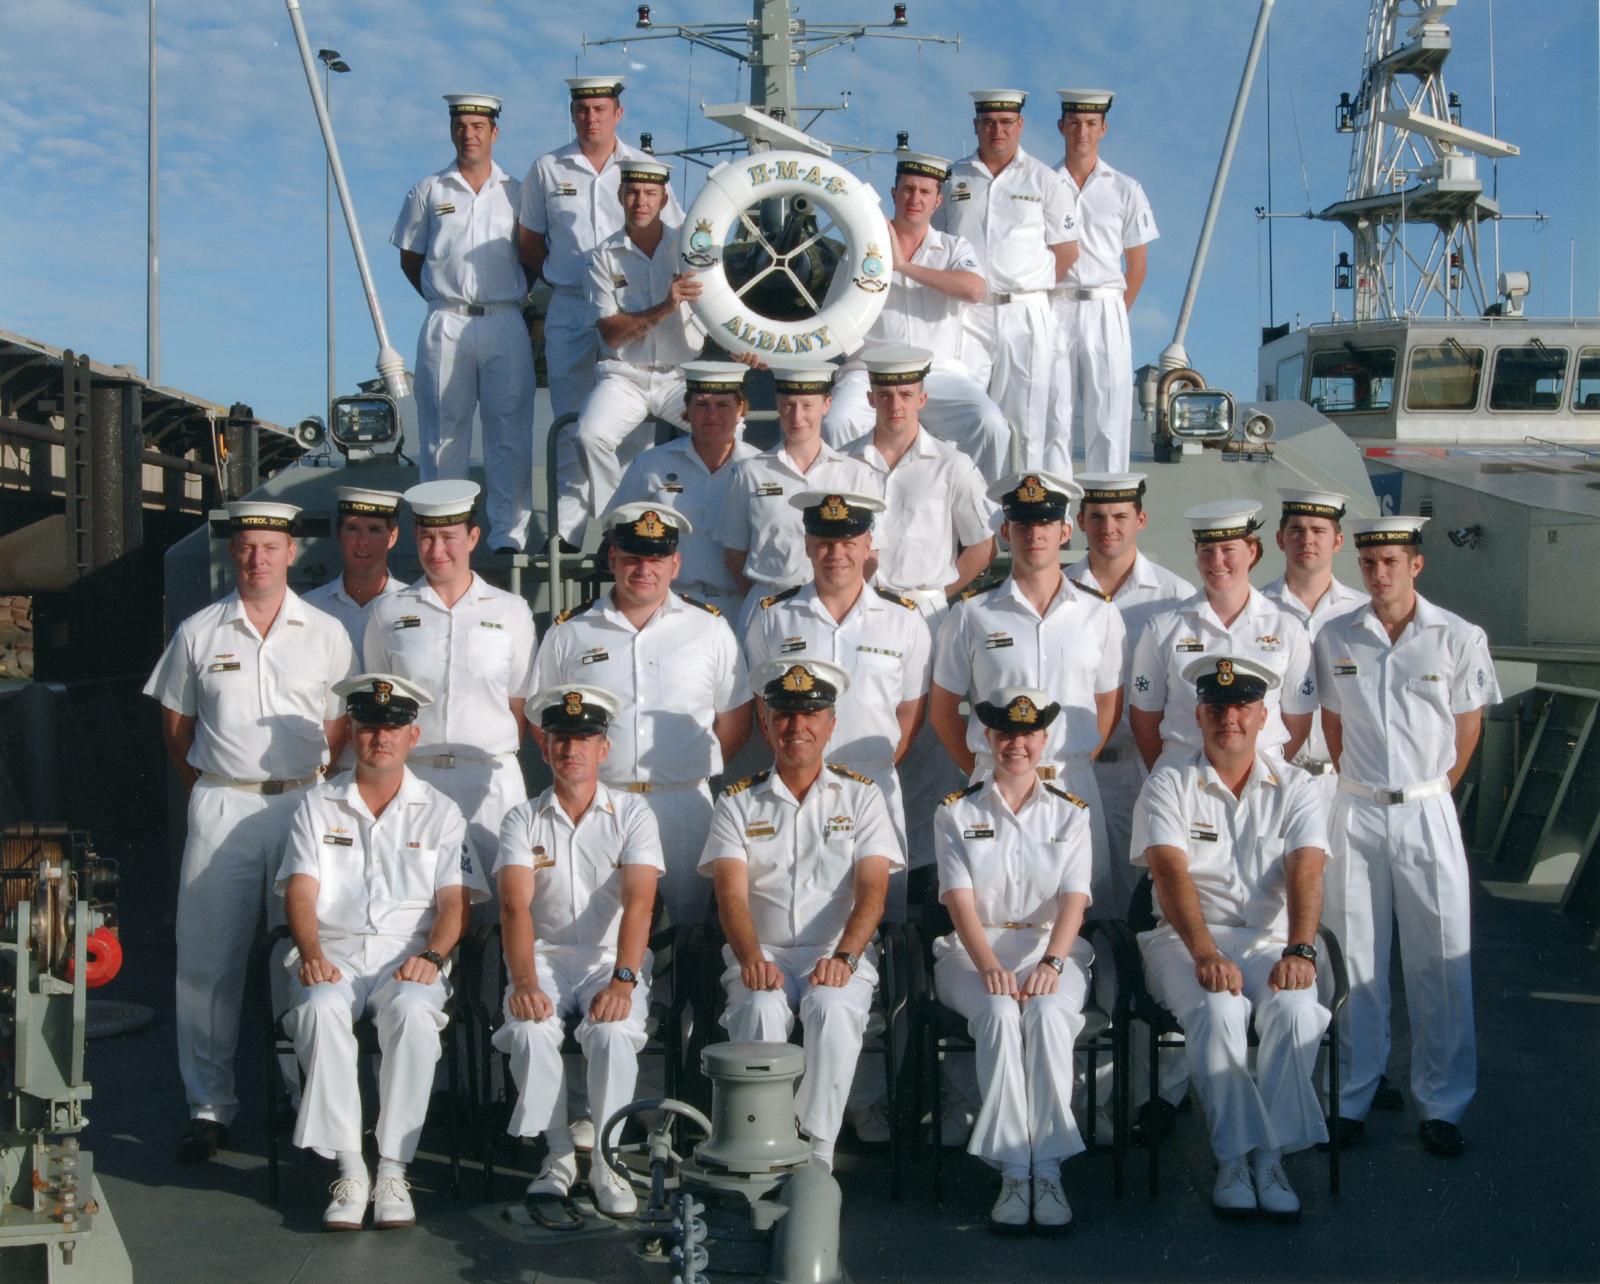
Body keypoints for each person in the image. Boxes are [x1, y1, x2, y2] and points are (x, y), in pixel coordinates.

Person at [143, 501, 356, 1162]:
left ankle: (302, 1096)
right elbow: (177, 728)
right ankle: (209, 1105)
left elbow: (337, 729)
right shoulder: (199, 633)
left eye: (270, 546)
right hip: (224, 804)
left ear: (291, 552)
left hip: (302, 805)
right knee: (207, 962)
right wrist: (212, 789)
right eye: (246, 547)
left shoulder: (325, 634)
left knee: (303, 954)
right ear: (231, 554)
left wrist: (306, 790)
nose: (257, 558)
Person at [1314, 516, 1499, 1159]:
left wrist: (1434, 790)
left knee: (1440, 959)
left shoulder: (1457, 636)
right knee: (1356, 960)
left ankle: (1442, 1104)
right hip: (1357, 808)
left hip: (1426, 808)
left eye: (1391, 561)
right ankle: (1355, 1096)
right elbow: (1332, 725)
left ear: (1416, 564)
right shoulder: (1337, 634)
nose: (1379, 573)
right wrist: (1360, 785)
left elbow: (1468, 727)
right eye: (1369, 564)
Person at [278, 673, 487, 1231]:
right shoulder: (317, 805)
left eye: (393, 727)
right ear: (351, 732)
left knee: (416, 1013)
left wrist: (434, 958)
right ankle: (350, 1168)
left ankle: (393, 1167)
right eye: (369, 726)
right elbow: (300, 891)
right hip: (335, 949)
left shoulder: (441, 811)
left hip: (408, 955)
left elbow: (454, 903)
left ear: (413, 735)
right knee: (319, 1006)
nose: (380, 738)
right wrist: (312, 951)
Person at [1130, 655, 1332, 1221]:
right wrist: (1206, 952)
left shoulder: (1296, 786)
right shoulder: (1170, 781)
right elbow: (1170, 874)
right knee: (1219, 1011)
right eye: (1217, 708)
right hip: (1183, 939)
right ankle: (1238, 1160)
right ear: (1198, 714)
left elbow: (1306, 870)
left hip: (1269, 940)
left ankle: (1269, 1156)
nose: (1229, 719)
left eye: (1242, 707)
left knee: (1296, 1009)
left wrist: (1299, 948)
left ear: (1263, 715)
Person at [699, 657, 902, 1170]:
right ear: (766, 724)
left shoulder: (862, 796)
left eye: (811, 713)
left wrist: (846, 958)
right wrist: (750, 959)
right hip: (760, 950)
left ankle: (816, 1149)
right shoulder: (737, 803)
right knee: (760, 1007)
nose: (798, 726)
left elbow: (873, 890)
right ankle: (765, 1141)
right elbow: (730, 895)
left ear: (831, 723)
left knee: (831, 1008)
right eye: (785, 714)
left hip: (836, 952)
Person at [532, 503, 750, 926]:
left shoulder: (710, 629)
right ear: (613, 558)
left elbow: (735, 716)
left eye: (656, 559)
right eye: (632, 558)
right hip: (601, 804)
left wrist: (686, 769)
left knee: (692, 929)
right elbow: (543, 718)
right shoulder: (570, 632)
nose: (644, 569)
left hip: (683, 803)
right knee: (602, 927)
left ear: (676, 563)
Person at [493, 684, 662, 1218]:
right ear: (543, 749)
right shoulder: (522, 819)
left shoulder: (633, 814)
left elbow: (639, 904)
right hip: (542, 955)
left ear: (603, 749)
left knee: (612, 1032)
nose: (571, 750)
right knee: (528, 1026)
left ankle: (608, 1161)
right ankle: (559, 1154)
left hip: (610, 956)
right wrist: (524, 983)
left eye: (584, 738)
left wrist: (623, 980)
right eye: (561, 739)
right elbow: (515, 908)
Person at [934, 687, 1093, 1234]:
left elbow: (1074, 898)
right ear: (987, 738)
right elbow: (958, 900)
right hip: (970, 952)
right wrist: (987, 965)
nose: (1016, 744)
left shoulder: (1071, 814)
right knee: (1000, 1014)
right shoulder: (956, 813)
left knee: (1048, 1014)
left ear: (1045, 740)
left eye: (1027, 734)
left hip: (1051, 946)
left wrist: (1051, 963)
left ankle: (1044, 1167)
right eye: (1005, 733)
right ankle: (1011, 1169)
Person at [929, 472, 1125, 908]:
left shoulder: (1100, 615)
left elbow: (1108, 702)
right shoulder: (971, 615)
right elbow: (943, 711)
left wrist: (1073, 761)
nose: (1034, 534)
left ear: (1065, 531)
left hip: (1072, 784)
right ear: (1005, 532)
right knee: (990, 911)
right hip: (992, 791)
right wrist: (986, 768)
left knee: (1084, 920)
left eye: (1046, 523)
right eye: (1022, 524)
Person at [744, 491, 930, 892]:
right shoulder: (773, 617)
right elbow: (765, 710)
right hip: (795, 790)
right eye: (825, 542)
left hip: (875, 784)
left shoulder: (904, 620)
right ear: (808, 545)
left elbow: (911, 709)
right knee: (795, 903)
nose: (836, 554)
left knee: (879, 914)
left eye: (848, 542)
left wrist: (875, 767)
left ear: (867, 546)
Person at [364, 481, 536, 878]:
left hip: (491, 783)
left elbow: (519, 702)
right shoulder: (387, 612)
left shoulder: (511, 611)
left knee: (499, 906)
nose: (437, 550)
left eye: (448, 537)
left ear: (473, 537)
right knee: (417, 900)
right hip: (416, 780)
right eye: (426, 537)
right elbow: (380, 704)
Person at [392, 94, 535, 553]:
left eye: (478, 125)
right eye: (461, 125)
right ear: (451, 129)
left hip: (504, 318)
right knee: (441, 435)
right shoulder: (429, 190)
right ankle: (442, 534)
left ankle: (508, 536)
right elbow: (411, 258)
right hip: (446, 321)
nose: (468, 134)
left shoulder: (518, 192)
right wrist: (444, 295)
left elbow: (532, 257)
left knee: (508, 432)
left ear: (495, 132)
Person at [820, 152, 1009, 481]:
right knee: (837, 422)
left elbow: (974, 290)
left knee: (990, 424)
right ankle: (845, 515)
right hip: (871, 372)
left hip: (937, 372)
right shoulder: (862, 249)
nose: (915, 199)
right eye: (908, 189)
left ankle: (982, 523)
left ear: (938, 201)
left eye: (924, 192)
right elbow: (833, 316)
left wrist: (904, 267)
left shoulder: (954, 248)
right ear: (894, 193)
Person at [555, 159, 705, 544]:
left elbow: (719, 309)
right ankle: (621, 527)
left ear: (663, 198)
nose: (641, 201)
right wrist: (665, 307)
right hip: (625, 377)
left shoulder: (689, 250)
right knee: (588, 436)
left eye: (650, 194)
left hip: (679, 378)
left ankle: (709, 522)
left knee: (729, 433)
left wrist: (742, 351)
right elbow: (611, 333)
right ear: (621, 197)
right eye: (633, 193)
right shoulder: (603, 257)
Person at [1064, 474, 1195, 907]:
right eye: (1097, 517)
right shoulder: (1057, 593)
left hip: (1142, 766)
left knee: (1144, 890)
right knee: (1073, 887)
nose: (1109, 528)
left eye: (1120, 516)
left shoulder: (1176, 598)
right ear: (1080, 521)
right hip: (1072, 768)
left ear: (1141, 519)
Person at [518, 77, 679, 427]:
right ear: (572, 114)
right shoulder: (547, 168)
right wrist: (559, 278)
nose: (591, 118)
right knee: (571, 419)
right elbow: (529, 240)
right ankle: (571, 486)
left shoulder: (645, 168)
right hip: (571, 305)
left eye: (600, 110)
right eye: (582, 110)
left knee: (628, 421)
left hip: (629, 308)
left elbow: (674, 238)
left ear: (618, 113)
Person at [936, 89, 1079, 475]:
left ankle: (1025, 520)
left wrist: (1028, 288)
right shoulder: (952, 178)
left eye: (1005, 123)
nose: (996, 130)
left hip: (1024, 312)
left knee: (1027, 423)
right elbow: (934, 244)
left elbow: (1066, 252)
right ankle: (969, 523)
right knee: (964, 417)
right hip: (968, 313)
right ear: (975, 126)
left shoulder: (1046, 181)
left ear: (1020, 125)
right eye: (987, 123)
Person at [1130, 502, 1316, 774]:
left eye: (1228, 549)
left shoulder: (1287, 628)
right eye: (1207, 551)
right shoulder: (1164, 629)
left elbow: (1298, 717)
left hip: (1262, 780)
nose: (1217, 561)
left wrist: (1260, 770)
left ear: (1251, 551)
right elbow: (1145, 717)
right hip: (1185, 776)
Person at [1046, 89, 1159, 473]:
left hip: (1106, 302)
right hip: (1055, 303)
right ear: (1061, 126)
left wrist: (1116, 313)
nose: (1082, 131)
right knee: (1053, 416)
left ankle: (1106, 505)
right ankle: (1052, 522)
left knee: (1109, 417)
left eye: (1091, 124)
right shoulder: (1043, 184)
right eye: (1075, 123)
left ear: (1104, 128)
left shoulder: (1126, 188)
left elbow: (1138, 266)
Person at [717, 367, 877, 635]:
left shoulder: (855, 474)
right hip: (767, 606)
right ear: (778, 406)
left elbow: (870, 554)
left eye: (807, 405)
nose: (797, 416)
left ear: (827, 405)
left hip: (835, 611)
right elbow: (735, 553)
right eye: (788, 405)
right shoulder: (750, 472)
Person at [843, 346, 997, 618]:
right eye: (885, 396)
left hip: (925, 612)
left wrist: (939, 597)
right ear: (870, 399)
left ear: (922, 399)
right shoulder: (843, 463)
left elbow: (983, 546)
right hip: (858, 610)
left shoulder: (952, 465)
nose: (895, 405)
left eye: (906, 395)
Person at [613, 361, 759, 617]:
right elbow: (616, 530)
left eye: (723, 405)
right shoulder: (651, 465)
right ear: (687, 410)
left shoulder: (760, 469)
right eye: (702, 404)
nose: (711, 415)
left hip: (740, 605)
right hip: (669, 607)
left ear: (740, 410)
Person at [1260, 489, 1367, 790]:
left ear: (1338, 541)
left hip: (1344, 780)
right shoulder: (1256, 611)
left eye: (1319, 530)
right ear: (1280, 539)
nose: (1307, 539)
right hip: (1276, 775)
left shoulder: (1362, 613)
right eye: (1296, 530)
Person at [303, 487, 406, 654]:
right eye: (353, 528)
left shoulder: (413, 607)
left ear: (392, 537)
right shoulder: (309, 608)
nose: (363, 542)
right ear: (339, 534)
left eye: (374, 530)